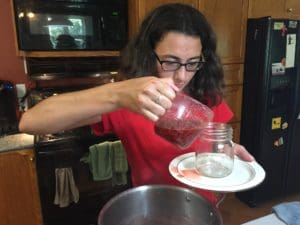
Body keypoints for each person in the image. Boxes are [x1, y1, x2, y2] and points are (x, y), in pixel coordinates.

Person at [19, 3, 254, 204]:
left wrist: (226, 149)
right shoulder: (130, 100)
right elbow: (30, 122)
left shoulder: (206, 93)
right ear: (148, 54)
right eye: (170, 61)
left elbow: (215, 139)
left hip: (201, 206)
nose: (182, 76)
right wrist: (118, 93)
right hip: (150, 208)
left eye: (192, 62)